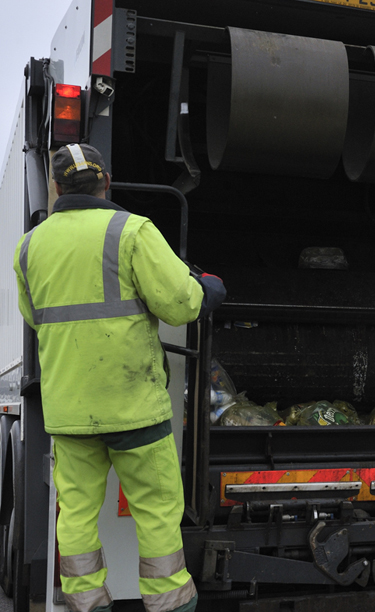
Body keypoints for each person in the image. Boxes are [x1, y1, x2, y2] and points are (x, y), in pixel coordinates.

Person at [13, 144, 226, 612]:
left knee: (76, 518)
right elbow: (181, 303)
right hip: (135, 411)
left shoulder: (29, 247)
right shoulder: (132, 231)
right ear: (105, 181)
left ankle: (87, 604)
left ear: (55, 187)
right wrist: (207, 288)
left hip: (70, 415)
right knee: (156, 514)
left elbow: (34, 317)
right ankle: (168, 605)